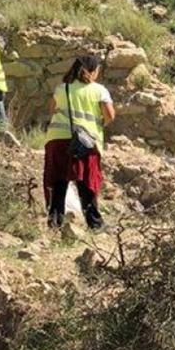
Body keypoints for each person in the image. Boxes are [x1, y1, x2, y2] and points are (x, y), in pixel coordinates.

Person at [43, 55, 115, 230]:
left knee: (58, 182)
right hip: (85, 142)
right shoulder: (99, 90)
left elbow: (51, 109)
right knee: (87, 183)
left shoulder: (62, 88)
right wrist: (98, 125)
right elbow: (110, 115)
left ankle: (54, 223)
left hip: (57, 140)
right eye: (97, 69)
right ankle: (95, 224)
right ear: (91, 71)